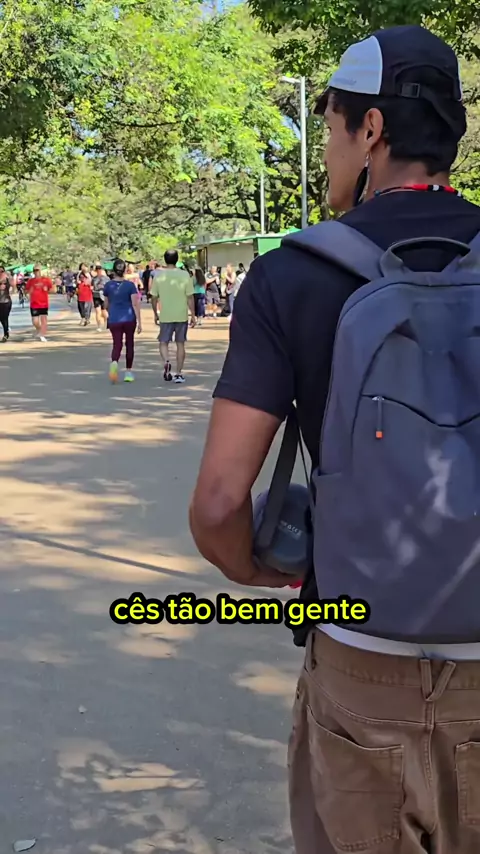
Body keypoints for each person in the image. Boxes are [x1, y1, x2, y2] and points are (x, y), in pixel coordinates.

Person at [190, 25, 480, 854]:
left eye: (330, 127)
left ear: (371, 130)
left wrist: (255, 568)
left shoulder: (292, 273)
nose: (326, 150)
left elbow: (219, 501)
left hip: (360, 650)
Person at [150, 249, 195, 384]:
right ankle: (179, 373)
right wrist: (193, 314)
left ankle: (166, 361)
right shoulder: (185, 275)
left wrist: (155, 313)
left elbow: (153, 297)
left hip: (165, 315)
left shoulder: (159, 276)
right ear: (177, 259)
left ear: (165, 259)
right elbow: (190, 297)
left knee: (163, 342)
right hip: (181, 314)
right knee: (180, 344)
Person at [103, 258, 141, 383]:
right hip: (129, 318)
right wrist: (139, 321)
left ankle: (114, 362)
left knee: (117, 343)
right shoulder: (130, 285)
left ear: (113, 270)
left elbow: (106, 304)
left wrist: (108, 312)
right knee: (129, 344)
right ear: (125, 270)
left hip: (114, 318)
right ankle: (128, 372)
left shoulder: (108, 285)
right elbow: (135, 303)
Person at [27, 265, 54, 342]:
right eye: (35, 270)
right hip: (34, 303)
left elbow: (53, 290)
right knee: (35, 321)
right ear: (33, 271)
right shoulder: (31, 281)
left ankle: (42, 335)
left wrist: (47, 290)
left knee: (44, 320)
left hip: (43, 303)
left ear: (40, 271)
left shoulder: (46, 280)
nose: (36, 272)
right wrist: (30, 291)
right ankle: (39, 330)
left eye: (37, 270)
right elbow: (26, 290)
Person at [92, 264, 109, 331]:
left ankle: (106, 323)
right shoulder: (94, 279)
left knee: (104, 311)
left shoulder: (106, 278)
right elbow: (92, 286)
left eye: (100, 269)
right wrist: (92, 289)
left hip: (104, 296)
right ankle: (99, 326)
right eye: (97, 269)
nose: (99, 271)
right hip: (96, 295)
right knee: (97, 311)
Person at [0, 267, 12, 342]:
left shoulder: (7, 279)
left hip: (6, 302)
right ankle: (6, 330)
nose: (0, 272)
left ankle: (5, 335)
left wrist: (9, 276)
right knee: (1, 318)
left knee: (4, 318)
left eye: (2, 271)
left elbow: (13, 285)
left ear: (4, 271)